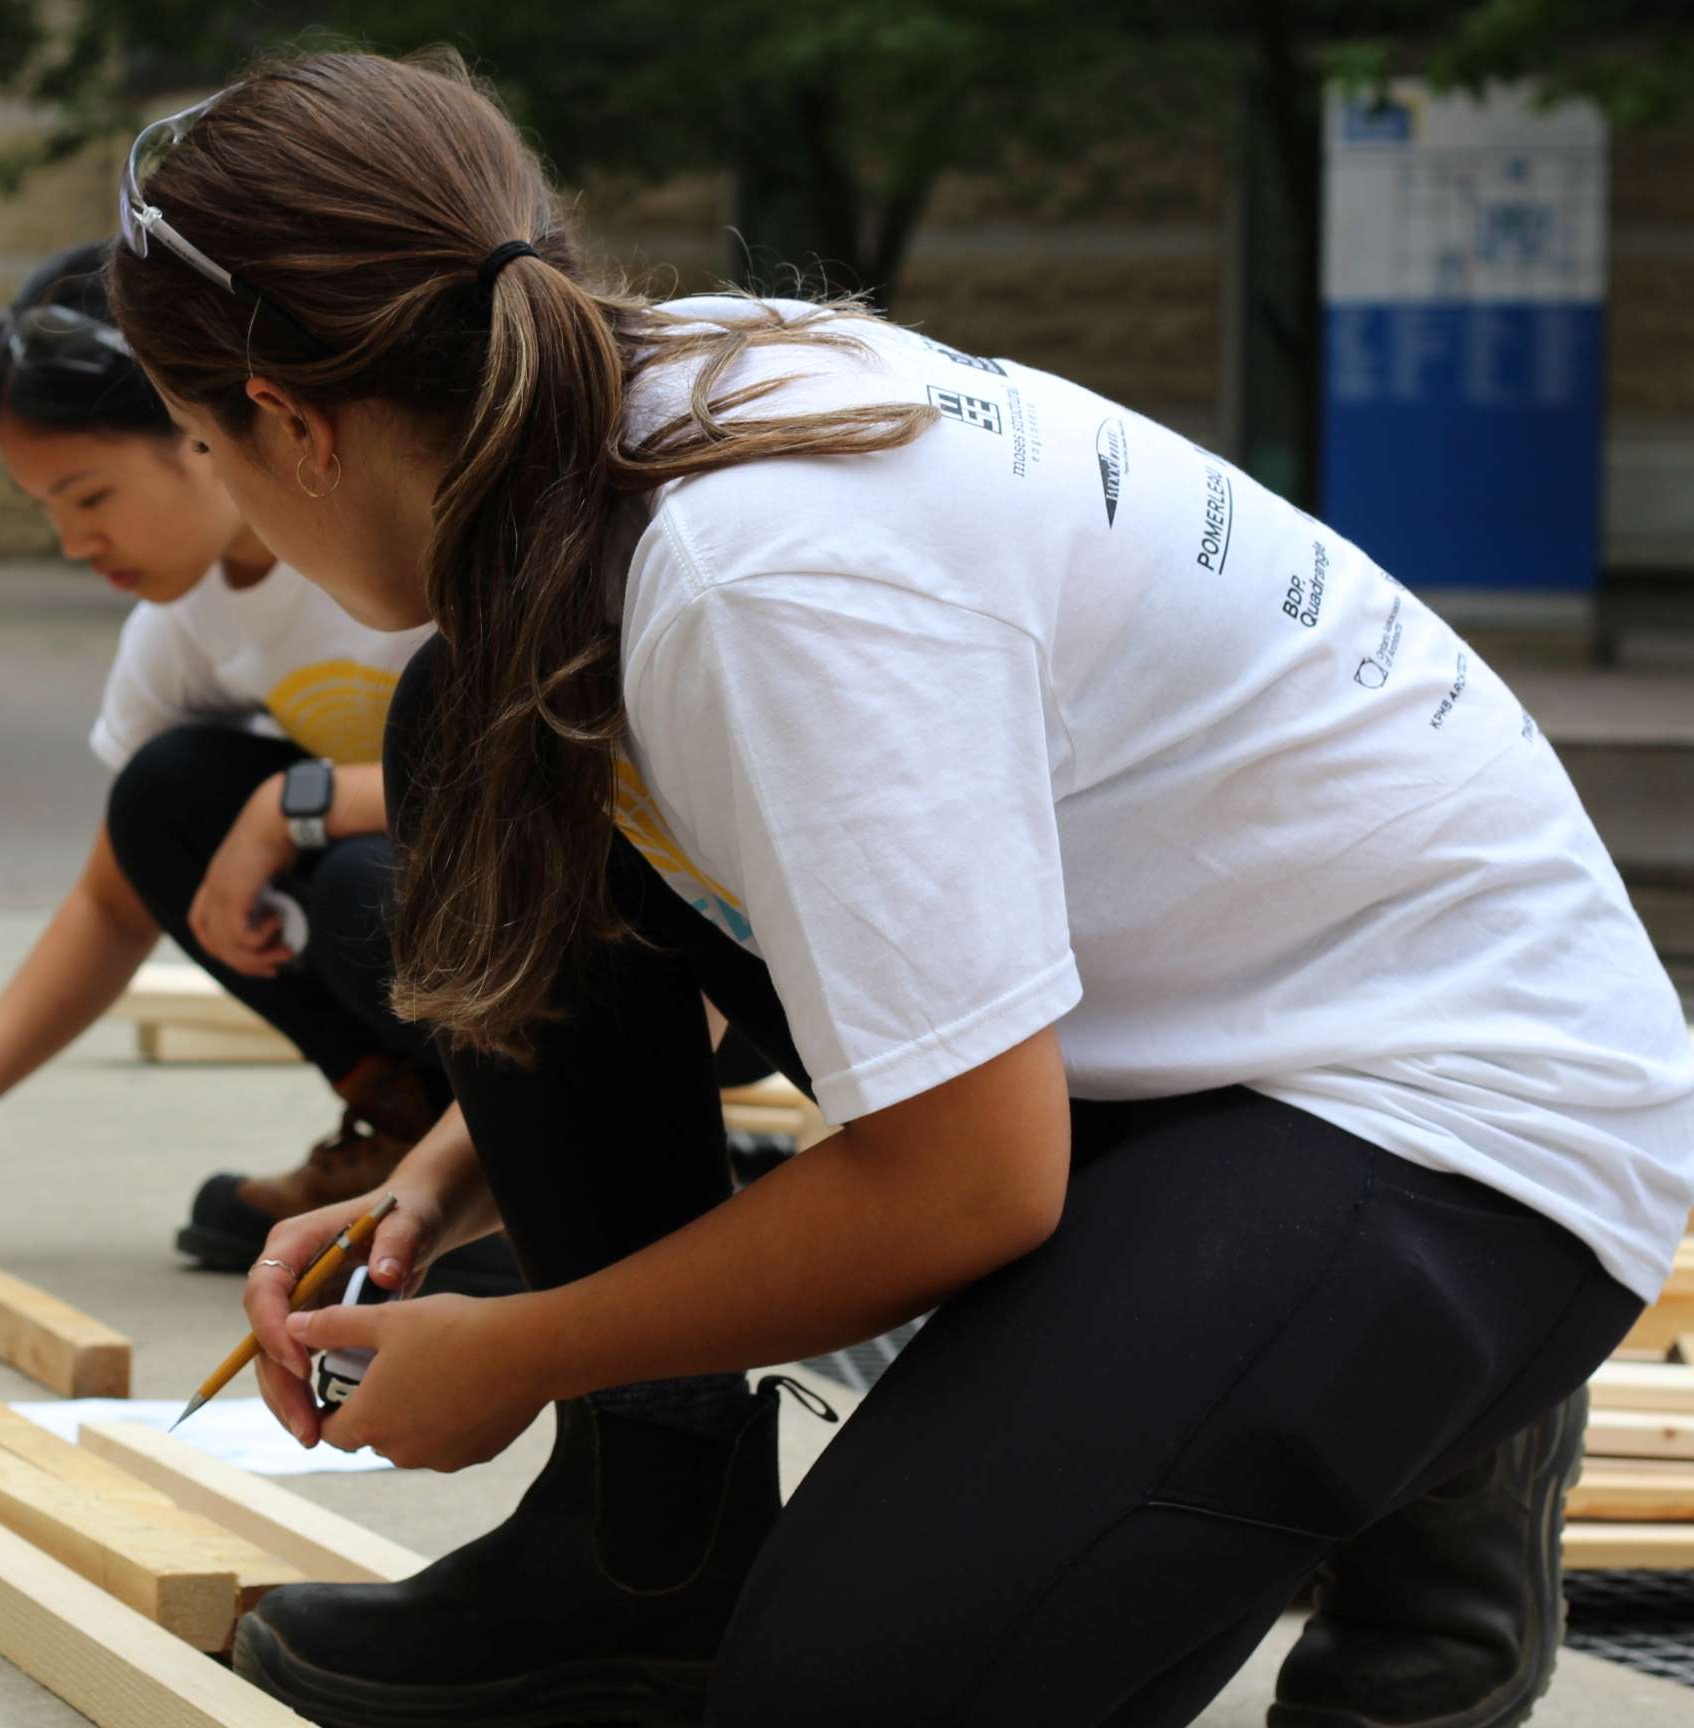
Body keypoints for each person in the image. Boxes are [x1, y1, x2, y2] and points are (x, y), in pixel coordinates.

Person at [106, 49, 1694, 1728]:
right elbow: (789, 921)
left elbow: (963, 1187)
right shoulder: (619, 412)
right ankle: (639, 1566)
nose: (224, 487)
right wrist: (442, 1185)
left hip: (1441, 1107)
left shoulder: (758, 577)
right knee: (468, 725)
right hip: (1192, 1015)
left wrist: (526, 1344)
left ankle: (1433, 1438)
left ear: (293, 422)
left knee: (846, 1700)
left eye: (203, 441)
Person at [0, 244, 520, 1291]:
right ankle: (412, 1138)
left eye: (88, 495)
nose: (72, 541)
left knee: (367, 885)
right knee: (167, 794)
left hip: (623, 964)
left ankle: (533, 1181)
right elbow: (112, 900)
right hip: (451, 925)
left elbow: (568, 787)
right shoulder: (185, 618)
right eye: (45, 508)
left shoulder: (415, 526)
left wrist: (298, 804)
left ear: (199, 423)